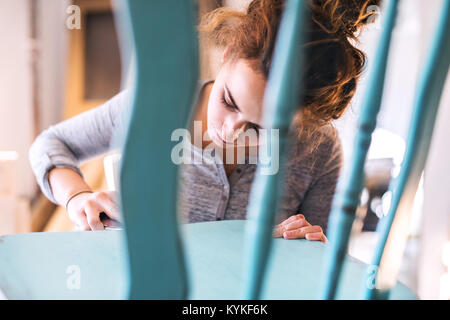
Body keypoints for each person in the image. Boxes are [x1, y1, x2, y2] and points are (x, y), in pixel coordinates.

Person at [29, 0, 380, 243]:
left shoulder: (319, 149)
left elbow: (320, 267)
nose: (230, 131)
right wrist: (76, 197)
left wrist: (307, 247)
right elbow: (51, 145)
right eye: (228, 101)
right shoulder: (156, 106)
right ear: (226, 55)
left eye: (260, 129)